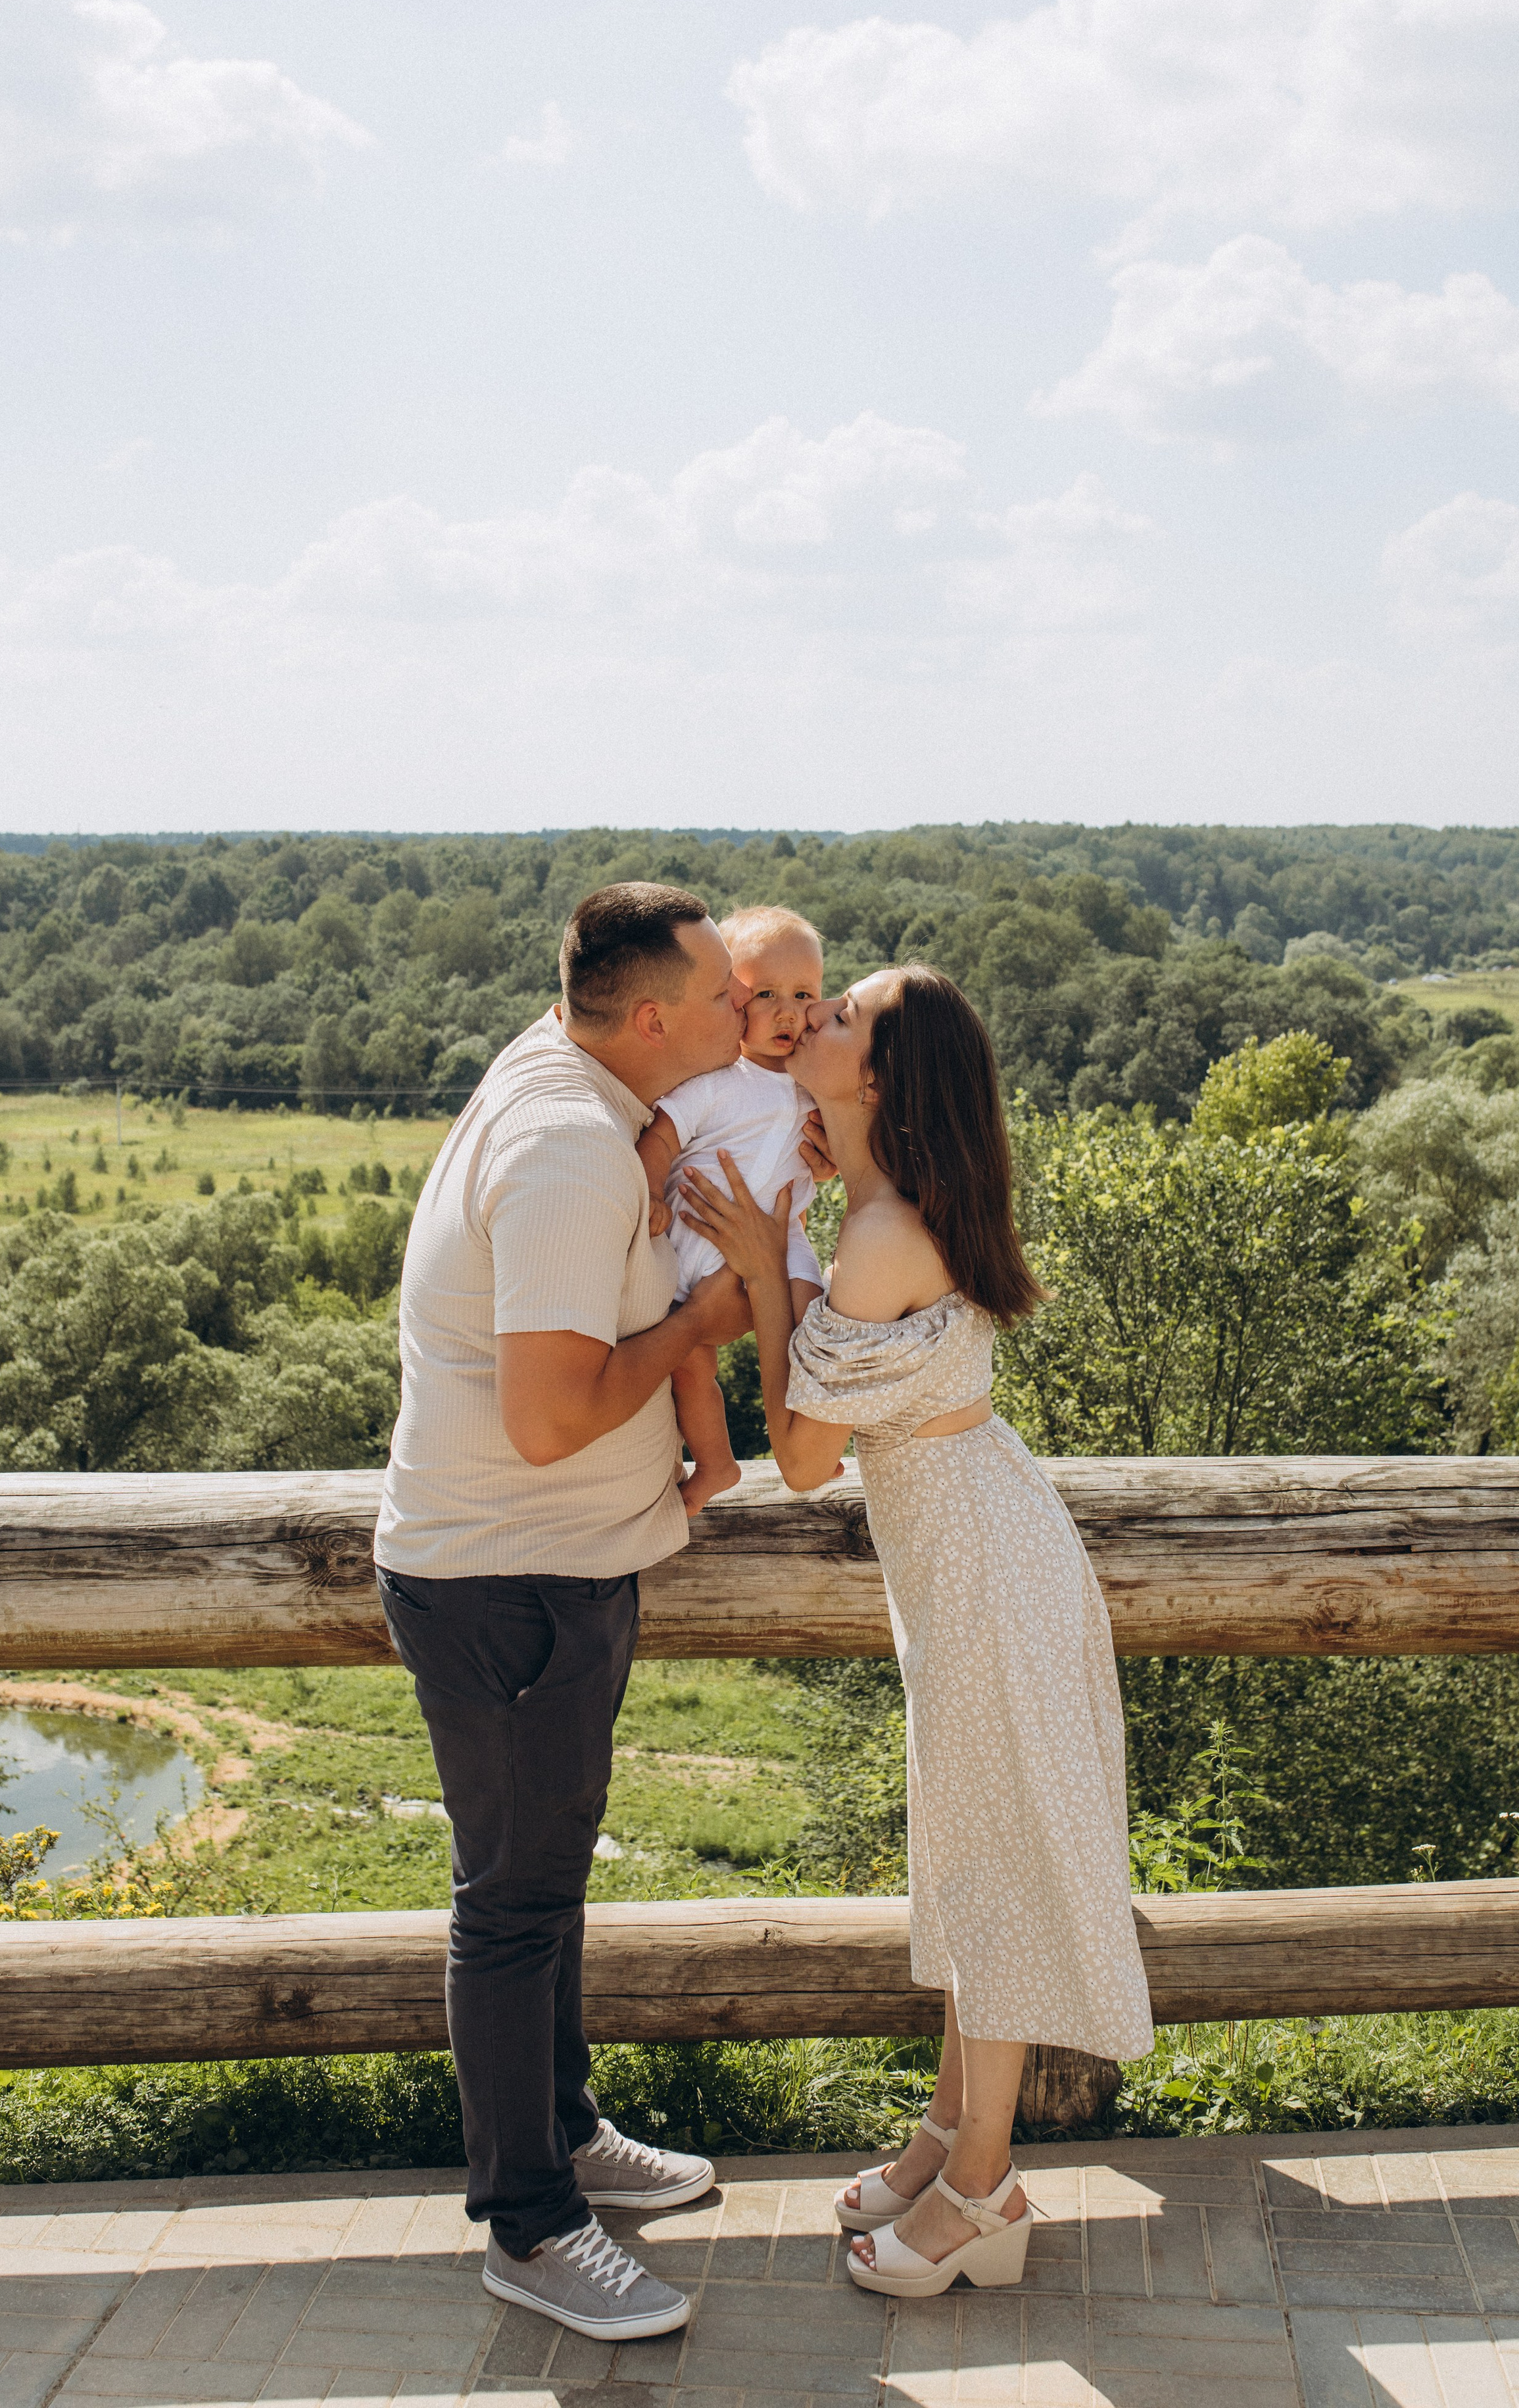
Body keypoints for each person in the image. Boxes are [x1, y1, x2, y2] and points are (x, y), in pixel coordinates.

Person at [679, 964, 1154, 2301]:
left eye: (839, 1017)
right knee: (966, 1852)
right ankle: (945, 2134)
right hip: (973, 1551)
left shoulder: (886, 1233)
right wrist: (810, 1201)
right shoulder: (889, 1203)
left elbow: (807, 1457)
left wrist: (767, 1275)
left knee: (987, 1868)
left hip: (981, 1570)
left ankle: (979, 2191)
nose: (809, 1020)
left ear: (880, 1076)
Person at [372, 882, 761, 2345]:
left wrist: (651, 1151)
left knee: (543, 1885)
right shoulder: (567, 1148)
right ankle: (529, 2225)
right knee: (514, 1905)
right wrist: (701, 1325)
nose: (745, 1017)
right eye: (723, 997)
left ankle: (567, 2132)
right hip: (509, 1582)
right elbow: (544, 1419)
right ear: (654, 1016)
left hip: (533, 1568)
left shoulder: (572, 1088)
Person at [637, 905, 827, 1512]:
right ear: (733, 998)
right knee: (691, 1366)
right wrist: (647, 1190)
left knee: (815, 1314)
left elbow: (858, 1145)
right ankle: (716, 1465)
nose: (786, 1012)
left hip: (778, 1237)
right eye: (765, 993)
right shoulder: (719, 1081)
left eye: (804, 995)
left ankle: (816, 1432)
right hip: (688, 1246)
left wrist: (836, 1164)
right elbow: (662, 1136)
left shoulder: (819, 1083)